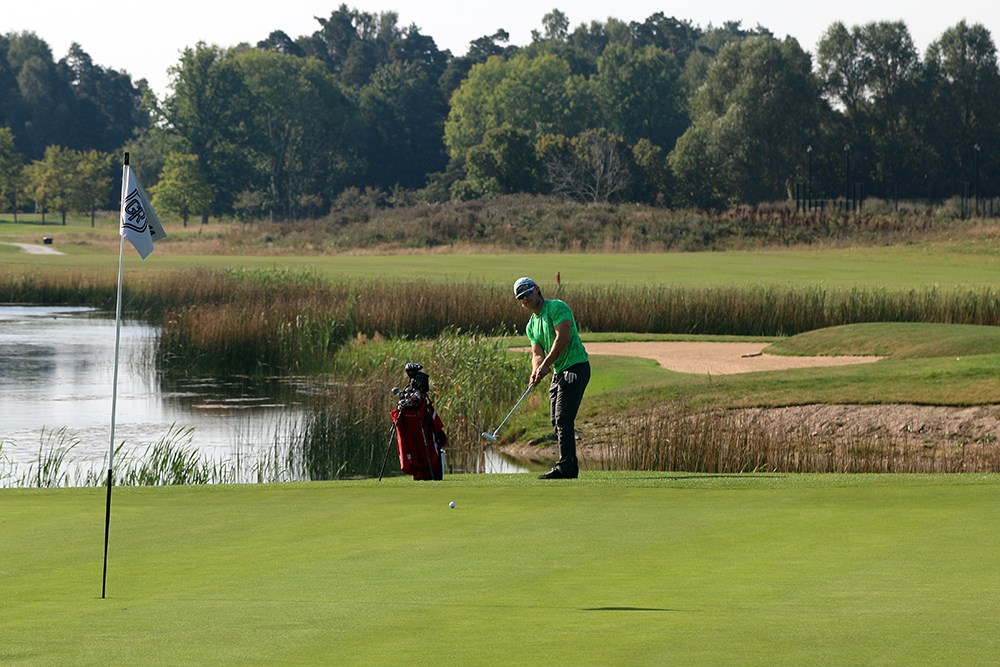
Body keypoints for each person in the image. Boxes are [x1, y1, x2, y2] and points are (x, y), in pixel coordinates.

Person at [513, 276, 590, 479]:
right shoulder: (531, 325)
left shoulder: (557, 307)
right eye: (521, 297)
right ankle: (569, 466)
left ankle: (566, 468)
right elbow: (536, 353)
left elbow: (562, 339)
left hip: (576, 366)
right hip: (559, 371)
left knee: (564, 418)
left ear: (537, 289)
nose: (525, 299)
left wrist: (546, 365)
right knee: (556, 420)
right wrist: (536, 370)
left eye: (527, 294)